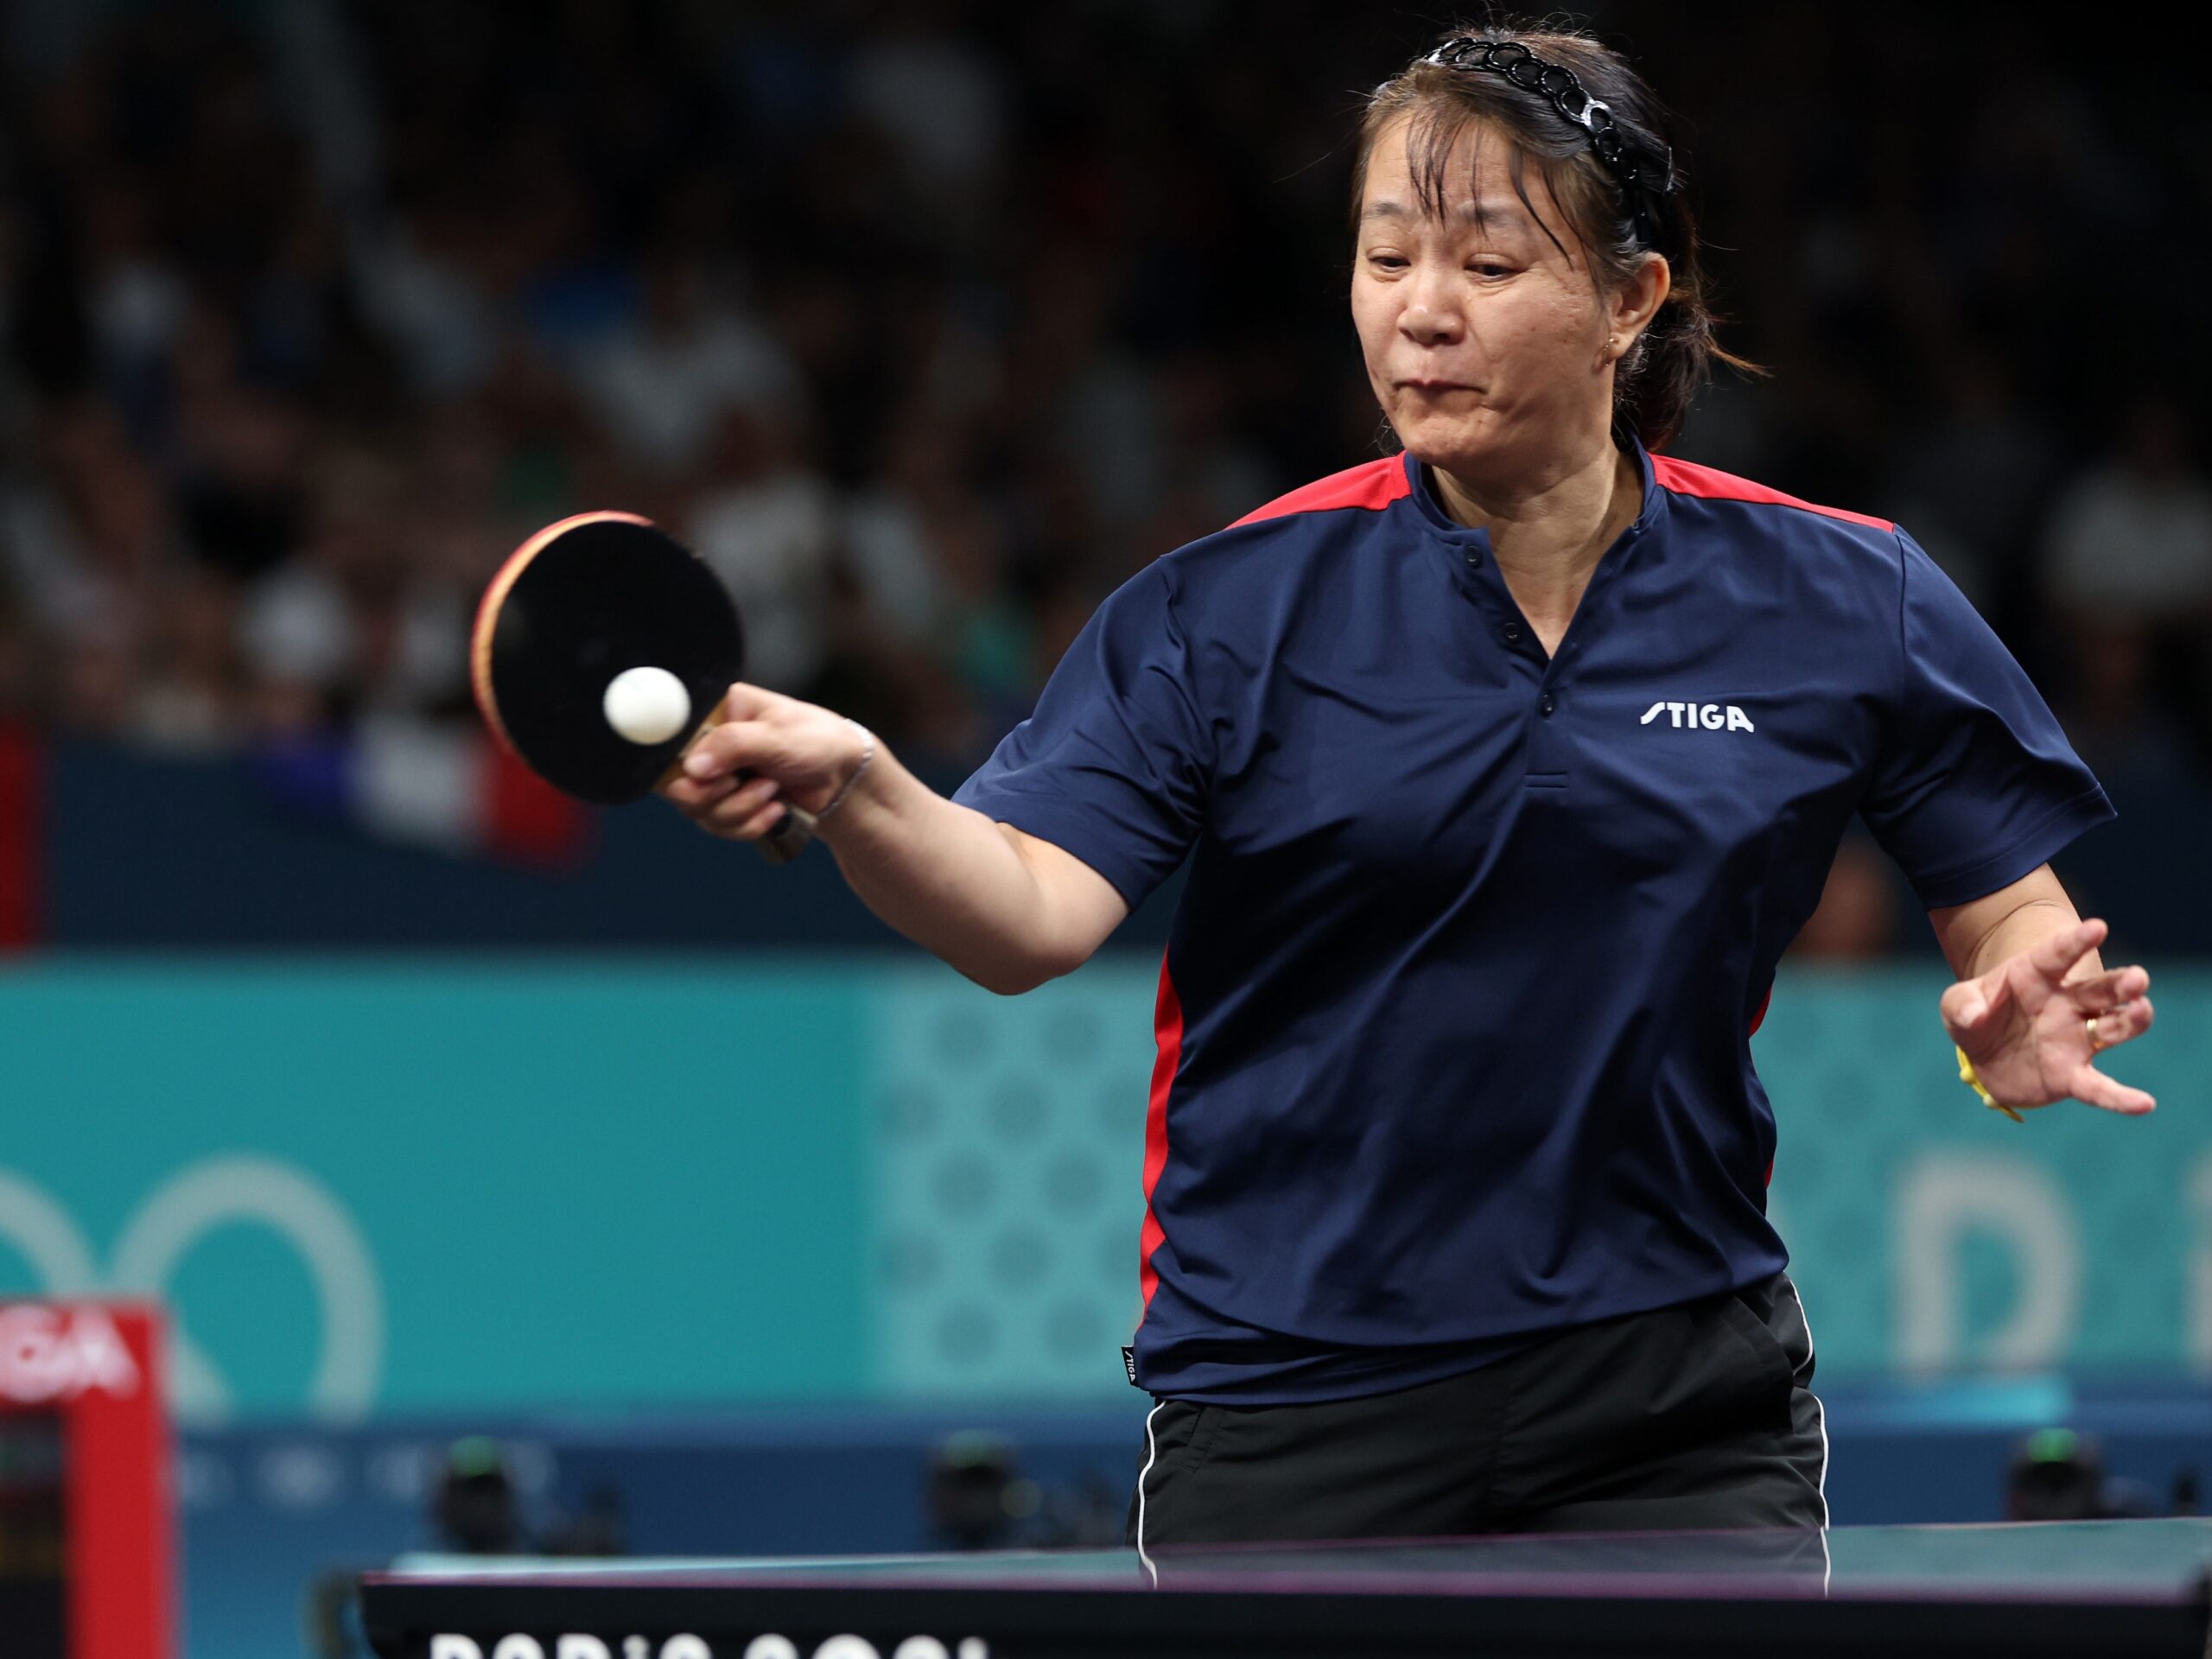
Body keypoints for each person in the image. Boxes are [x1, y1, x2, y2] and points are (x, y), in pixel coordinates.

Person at [662, 23, 2155, 1550]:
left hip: (1674, 1410)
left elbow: (2008, 913)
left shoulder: (1843, 596)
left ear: (1629, 300)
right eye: (1387, 261)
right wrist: (864, 785)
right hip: (1298, 1409)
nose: (1421, 317)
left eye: (1491, 269)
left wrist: (2012, 996)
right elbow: (1025, 916)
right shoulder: (1231, 608)